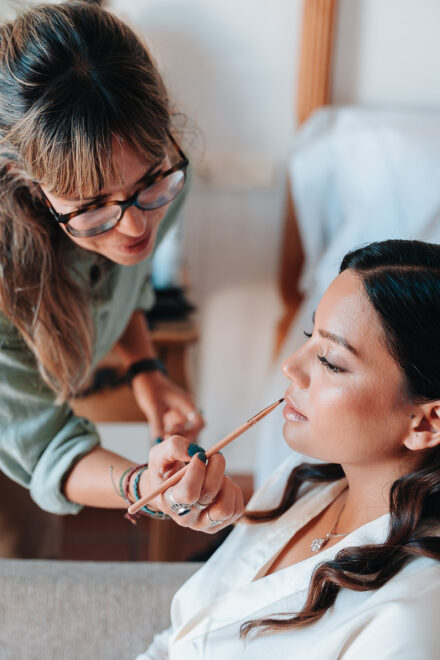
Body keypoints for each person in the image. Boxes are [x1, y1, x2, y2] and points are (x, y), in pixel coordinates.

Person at [0, 1, 244, 533]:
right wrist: (147, 489)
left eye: (148, 181)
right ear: (24, 179)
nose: (135, 228)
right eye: (91, 205)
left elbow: (123, 290)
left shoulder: (169, 183)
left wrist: (147, 372)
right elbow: (45, 452)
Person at [140, 239, 440, 659]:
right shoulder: (299, 481)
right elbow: (177, 642)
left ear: (427, 422)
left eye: (331, 361)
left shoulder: (412, 614)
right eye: (308, 335)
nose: (291, 367)